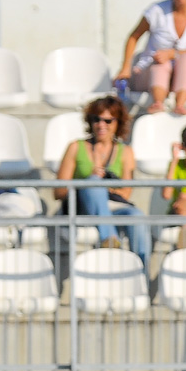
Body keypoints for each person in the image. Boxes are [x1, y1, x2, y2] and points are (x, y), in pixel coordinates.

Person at [53, 95, 147, 254]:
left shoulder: (125, 152)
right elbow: (58, 191)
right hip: (81, 207)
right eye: (96, 119)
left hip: (113, 206)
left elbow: (126, 193)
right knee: (93, 182)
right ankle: (110, 238)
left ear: (118, 122)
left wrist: (103, 190)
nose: (101, 125)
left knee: (137, 217)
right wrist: (89, 183)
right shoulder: (76, 147)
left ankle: (141, 273)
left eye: (108, 121)